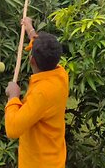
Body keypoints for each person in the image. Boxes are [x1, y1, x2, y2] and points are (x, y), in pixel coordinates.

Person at [4, 17, 69, 168]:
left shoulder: (42, 93)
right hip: (53, 156)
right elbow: (45, 50)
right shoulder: (61, 74)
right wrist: (30, 30)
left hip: (40, 162)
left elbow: (13, 129)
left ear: (32, 61)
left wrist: (14, 97)